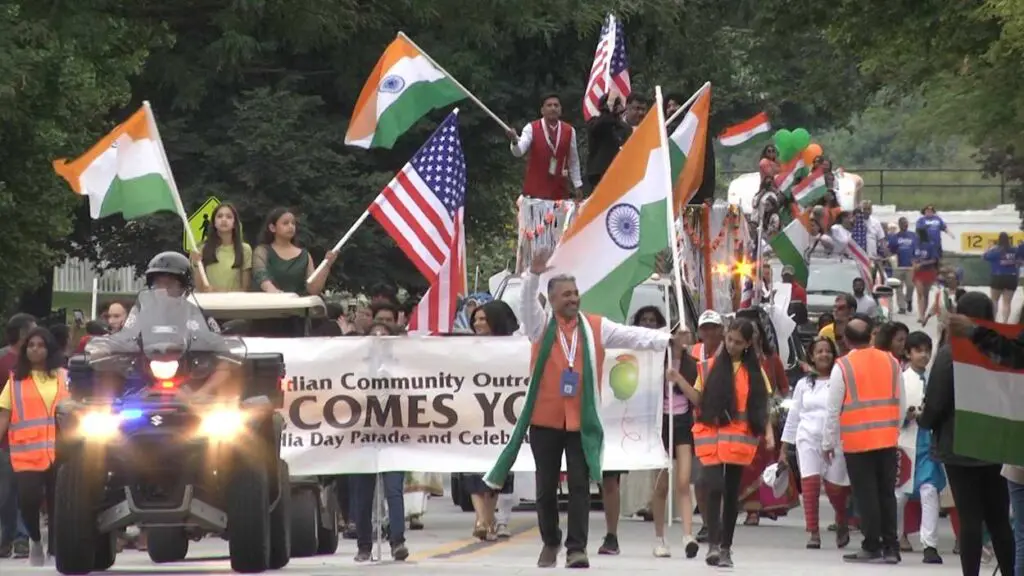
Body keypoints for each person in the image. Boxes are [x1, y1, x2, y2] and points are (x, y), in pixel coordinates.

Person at [483, 248, 687, 568]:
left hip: (581, 423)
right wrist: (533, 275)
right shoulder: (541, 327)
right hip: (545, 421)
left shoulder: (594, 326)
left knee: (580, 486)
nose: (573, 299)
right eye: (566, 294)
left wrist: (666, 339)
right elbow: (525, 308)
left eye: (576, 293)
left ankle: (577, 548)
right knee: (545, 489)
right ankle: (551, 541)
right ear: (552, 300)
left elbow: (631, 335)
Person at [920, 293, 1016, 576]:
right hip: (997, 445)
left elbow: (936, 402)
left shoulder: (951, 354)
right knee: (999, 517)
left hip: (959, 445)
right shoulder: (1002, 350)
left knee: (970, 517)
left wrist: (925, 421)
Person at [668, 319, 773, 568]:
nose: (731, 345)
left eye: (738, 342)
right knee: (712, 486)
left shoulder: (756, 373)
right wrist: (679, 380)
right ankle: (714, 545)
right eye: (729, 340)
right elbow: (698, 400)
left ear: (748, 344)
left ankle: (726, 547)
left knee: (731, 492)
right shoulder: (708, 367)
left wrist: (768, 433)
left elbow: (762, 407)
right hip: (712, 439)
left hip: (739, 442)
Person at [822, 314, 904, 563]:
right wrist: (895, 429)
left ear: (845, 340)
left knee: (865, 494)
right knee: (887, 493)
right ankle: (891, 547)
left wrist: (828, 442)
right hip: (887, 439)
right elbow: (902, 401)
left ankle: (871, 545)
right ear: (871, 336)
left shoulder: (843, 366)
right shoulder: (891, 361)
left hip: (857, 442)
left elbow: (833, 408)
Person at [0, 327, 67, 566]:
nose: (35, 349)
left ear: (49, 349)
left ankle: (58, 549)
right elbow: (4, 416)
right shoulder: (15, 380)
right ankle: (36, 539)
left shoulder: (62, 376)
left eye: (40, 345)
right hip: (27, 453)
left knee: (60, 502)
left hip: (62, 451)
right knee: (28, 501)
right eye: (31, 345)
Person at [638, 306, 699, 560]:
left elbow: (697, 398)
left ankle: (687, 535)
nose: (684, 338)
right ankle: (660, 538)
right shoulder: (656, 360)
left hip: (683, 423)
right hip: (660, 422)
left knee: (684, 481)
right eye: (680, 333)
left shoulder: (692, 364)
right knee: (661, 484)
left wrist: (679, 379)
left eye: (688, 334)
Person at [780, 337, 851, 550]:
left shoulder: (841, 381)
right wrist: (784, 448)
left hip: (835, 439)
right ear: (811, 356)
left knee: (835, 488)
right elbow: (794, 417)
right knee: (809, 485)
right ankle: (813, 533)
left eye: (828, 351)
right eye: (819, 351)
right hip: (807, 438)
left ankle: (841, 519)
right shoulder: (803, 384)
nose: (824, 355)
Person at [461, 301, 520, 541]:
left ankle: (487, 519)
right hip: (472, 413)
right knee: (473, 468)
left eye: (483, 319)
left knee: (498, 469)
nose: (477, 323)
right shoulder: (465, 347)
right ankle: (481, 519)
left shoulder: (512, 347)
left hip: (502, 415)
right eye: (476, 319)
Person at [507, 94, 584, 273]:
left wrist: (578, 184)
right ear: (542, 110)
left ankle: (555, 273)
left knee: (556, 243)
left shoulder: (568, 131)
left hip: (558, 197)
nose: (553, 108)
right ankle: (530, 275)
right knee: (534, 244)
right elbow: (519, 150)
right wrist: (513, 140)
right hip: (535, 200)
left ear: (560, 109)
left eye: (556, 105)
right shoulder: (531, 128)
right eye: (549, 105)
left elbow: (573, 160)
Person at [893, 331, 945, 565]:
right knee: (899, 496)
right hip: (905, 443)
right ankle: (892, 539)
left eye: (927, 350)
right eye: (918, 350)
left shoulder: (934, 378)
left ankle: (930, 545)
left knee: (929, 492)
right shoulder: (901, 379)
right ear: (908, 353)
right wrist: (909, 414)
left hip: (928, 445)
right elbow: (894, 413)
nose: (924, 355)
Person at [0, 314, 34, 559]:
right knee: (6, 493)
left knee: (25, 491)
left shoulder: (34, 362)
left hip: (31, 437)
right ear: (22, 334)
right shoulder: (3, 359)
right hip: (6, 437)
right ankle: (6, 537)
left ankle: (22, 538)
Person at [690, 310, 724, 544]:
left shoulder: (729, 353)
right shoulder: (692, 351)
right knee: (701, 480)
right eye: (705, 328)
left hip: (724, 423)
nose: (709, 332)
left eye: (714, 327)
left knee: (718, 480)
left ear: (721, 330)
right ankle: (707, 522)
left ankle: (719, 522)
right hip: (698, 423)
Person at [252, 207, 335, 296]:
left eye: (293, 223)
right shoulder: (262, 251)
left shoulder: (305, 255)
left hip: (297, 306)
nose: (291, 226)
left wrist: (327, 265)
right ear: (272, 228)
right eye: (285, 223)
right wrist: (273, 291)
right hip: (270, 305)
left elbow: (313, 290)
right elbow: (260, 274)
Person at [586, 93, 647, 190]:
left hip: (621, 176)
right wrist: (609, 107)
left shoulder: (625, 128)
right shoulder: (594, 123)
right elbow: (602, 124)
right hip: (600, 176)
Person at [192, 202, 252, 292]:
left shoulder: (245, 249)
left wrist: (218, 291)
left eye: (229, 217)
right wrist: (196, 264)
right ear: (214, 222)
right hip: (209, 304)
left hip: (235, 303)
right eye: (219, 216)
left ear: (234, 223)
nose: (224, 220)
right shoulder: (202, 249)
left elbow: (245, 289)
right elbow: (199, 288)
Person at [984, 232, 1020, 323]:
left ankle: (993, 321)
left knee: (994, 301)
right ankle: (1005, 322)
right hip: (1011, 277)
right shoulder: (1015, 250)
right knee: (1007, 302)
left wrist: (987, 248)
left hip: (997, 277)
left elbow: (984, 257)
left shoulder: (995, 251)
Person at [888, 217, 919, 314]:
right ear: (899, 225)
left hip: (910, 265)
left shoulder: (913, 236)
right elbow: (891, 250)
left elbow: (917, 248)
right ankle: (902, 307)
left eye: (906, 223)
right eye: (903, 223)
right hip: (898, 266)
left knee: (910, 286)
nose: (905, 225)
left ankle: (908, 300)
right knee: (898, 287)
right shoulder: (895, 237)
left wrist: (917, 261)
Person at [911, 227, 940, 326]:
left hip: (928, 271)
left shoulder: (930, 245)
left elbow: (934, 259)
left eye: (918, 234)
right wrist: (914, 263)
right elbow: (913, 256)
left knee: (925, 293)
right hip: (917, 272)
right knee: (920, 293)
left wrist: (922, 264)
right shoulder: (915, 245)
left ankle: (923, 313)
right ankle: (920, 315)